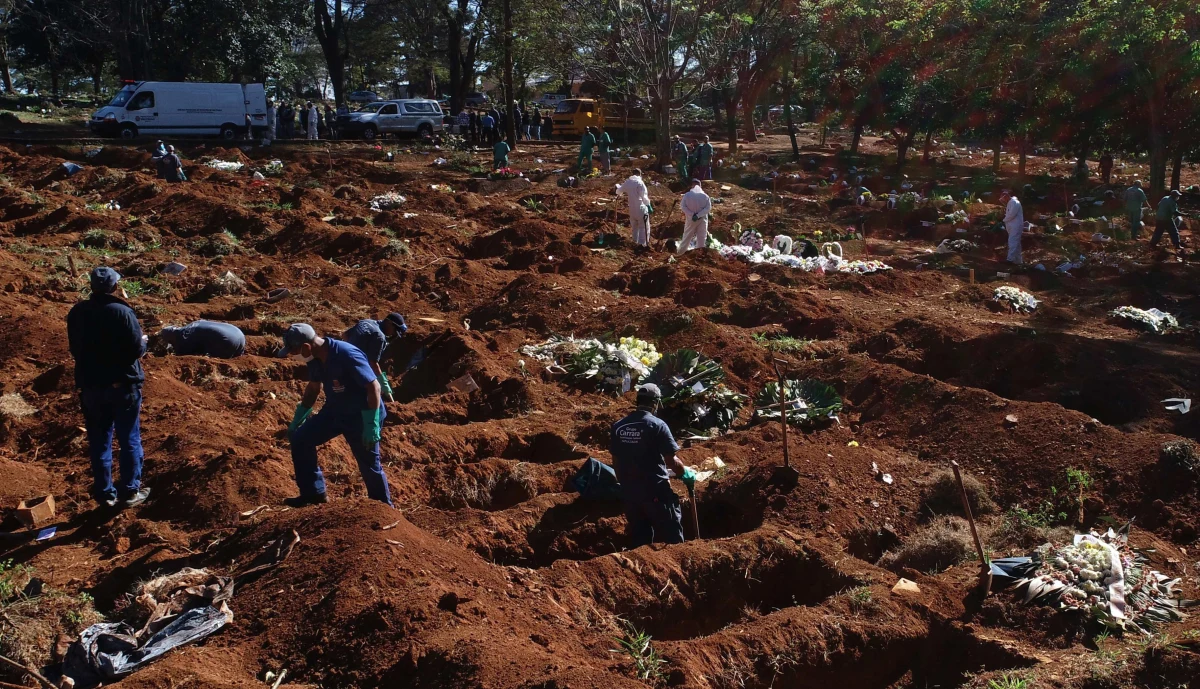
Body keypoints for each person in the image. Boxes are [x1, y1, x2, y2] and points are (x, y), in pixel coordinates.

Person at [278, 324, 392, 507]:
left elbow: (374, 387)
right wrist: (298, 418)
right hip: (335, 410)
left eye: (293, 351)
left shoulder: (346, 354)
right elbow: (313, 389)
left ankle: (384, 508)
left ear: (306, 347)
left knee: (369, 464)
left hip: (362, 414)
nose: (293, 355)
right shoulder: (314, 358)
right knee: (301, 440)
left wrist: (371, 424)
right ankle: (313, 494)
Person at [66, 267, 151, 509]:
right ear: (114, 287)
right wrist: (144, 344)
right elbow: (136, 349)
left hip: (91, 386)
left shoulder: (77, 312)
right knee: (129, 438)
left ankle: (105, 494)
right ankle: (130, 491)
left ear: (91, 286)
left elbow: (75, 348)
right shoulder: (122, 312)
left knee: (99, 441)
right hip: (122, 385)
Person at [610, 384, 694, 547]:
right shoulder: (657, 425)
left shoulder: (619, 426)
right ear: (655, 402)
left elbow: (616, 460)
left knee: (640, 540)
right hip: (655, 491)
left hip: (630, 493)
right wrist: (684, 473)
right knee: (672, 537)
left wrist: (625, 485)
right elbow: (671, 460)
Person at [343, 313, 407, 403]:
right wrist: (384, 386)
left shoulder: (366, 322)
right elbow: (373, 363)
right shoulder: (379, 336)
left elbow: (345, 335)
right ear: (389, 323)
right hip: (352, 368)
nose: (393, 334)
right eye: (394, 330)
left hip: (341, 358)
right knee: (370, 390)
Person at [157, 320, 246, 359]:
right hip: (239, 334)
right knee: (236, 360)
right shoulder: (194, 324)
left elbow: (184, 358)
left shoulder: (184, 338)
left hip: (226, 341)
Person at [615, 169, 653, 247]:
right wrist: (649, 205)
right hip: (641, 209)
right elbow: (644, 197)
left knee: (635, 228)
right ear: (640, 174)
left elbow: (618, 191)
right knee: (643, 228)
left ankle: (634, 243)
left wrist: (618, 188)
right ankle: (643, 245)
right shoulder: (640, 183)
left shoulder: (628, 182)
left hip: (632, 210)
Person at [678, 179, 711, 255]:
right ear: (700, 186)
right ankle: (699, 254)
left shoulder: (687, 195)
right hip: (702, 219)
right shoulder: (705, 196)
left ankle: (680, 253)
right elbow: (708, 208)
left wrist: (692, 214)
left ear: (692, 185)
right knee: (701, 238)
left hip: (691, 220)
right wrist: (698, 215)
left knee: (687, 236)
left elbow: (683, 206)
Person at [1001, 190, 1025, 264]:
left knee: (1012, 242)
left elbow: (1011, 214)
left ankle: (1010, 259)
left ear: (1006, 196)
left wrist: (1004, 220)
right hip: (1013, 226)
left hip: (1015, 226)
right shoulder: (1011, 202)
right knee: (1016, 244)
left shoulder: (1014, 202)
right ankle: (1018, 261)